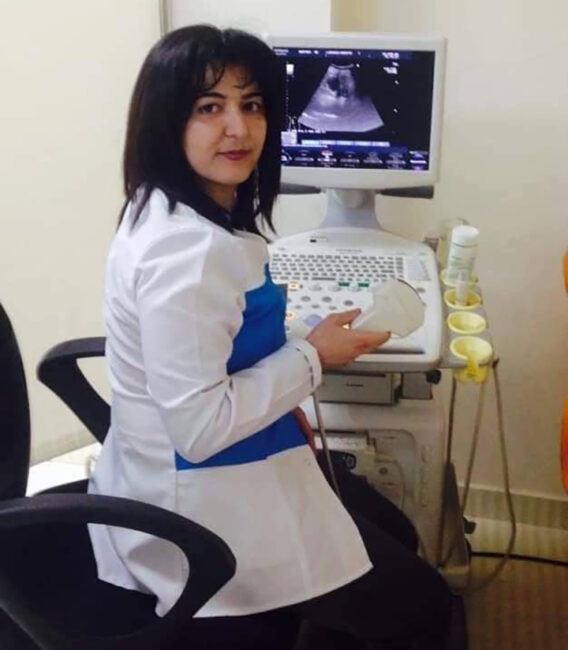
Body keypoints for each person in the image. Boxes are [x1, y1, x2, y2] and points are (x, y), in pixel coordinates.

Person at [88, 24, 452, 650]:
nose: (239, 128)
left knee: (389, 527)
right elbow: (200, 430)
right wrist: (313, 356)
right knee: (425, 607)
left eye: (252, 104)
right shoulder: (187, 254)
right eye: (209, 108)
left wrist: (299, 345)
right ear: (166, 120)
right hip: (202, 502)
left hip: (185, 461)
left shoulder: (172, 205)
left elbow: (218, 336)